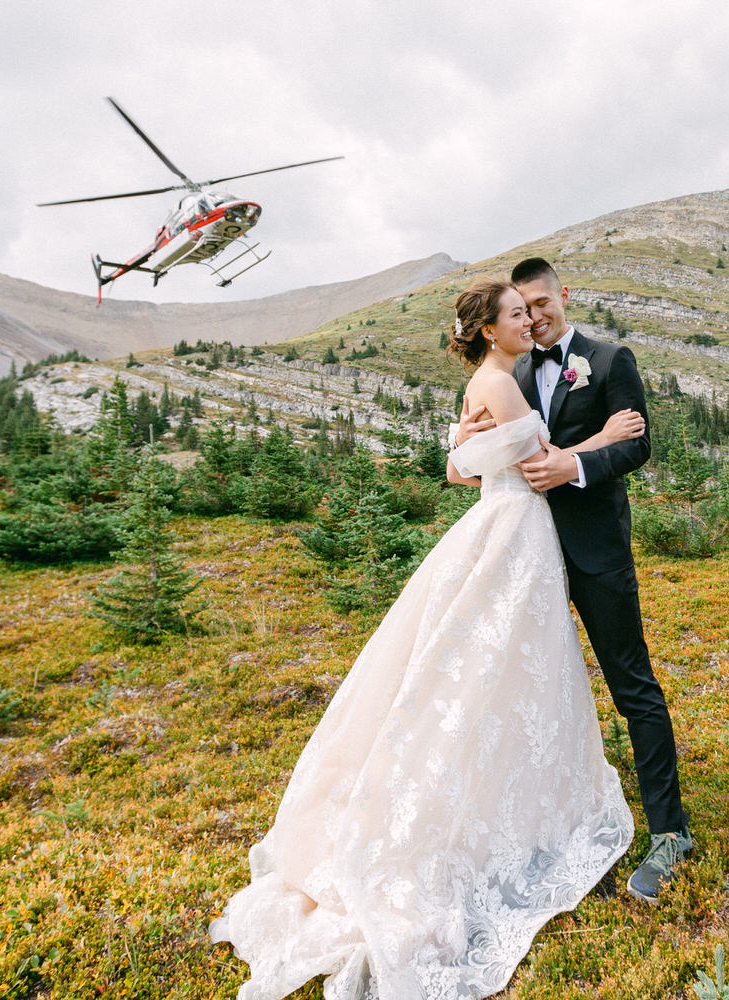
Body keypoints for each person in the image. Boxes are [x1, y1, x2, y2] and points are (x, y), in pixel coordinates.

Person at [211, 279, 647, 1000]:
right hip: (515, 532)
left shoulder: (487, 385)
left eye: (528, 313)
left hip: (503, 529)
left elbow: (460, 466)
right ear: (488, 330)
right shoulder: (501, 387)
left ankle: (512, 796)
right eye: (514, 316)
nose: (526, 323)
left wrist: (476, 445)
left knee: (497, 671)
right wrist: (606, 436)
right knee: (499, 671)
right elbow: (539, 470)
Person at [454, 257, 691, 903]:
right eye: (520, 310)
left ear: (562, 294)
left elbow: (637, 444)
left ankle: (669, 831)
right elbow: (477, 461)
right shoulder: (509, 368)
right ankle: (532, 827)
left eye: (539, 303)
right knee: (520, 688)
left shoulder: (610, 361)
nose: (533, 317)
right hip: (524, 553)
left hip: (594, 551)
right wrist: (465, 440)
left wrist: (580, 466)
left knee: (630, 681)